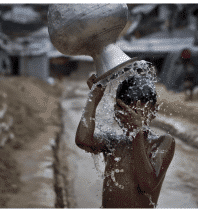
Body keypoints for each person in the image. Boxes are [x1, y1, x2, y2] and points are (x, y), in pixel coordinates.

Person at [75, 73, 176, 208]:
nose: (129, 118)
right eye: (123, 110)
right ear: (116, 112)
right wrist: (93, 98)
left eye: (136, 113)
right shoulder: (114, 143)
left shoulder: (162, 142)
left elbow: (148, 185)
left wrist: (137, 133)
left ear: (154, 110)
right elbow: (83, 140)